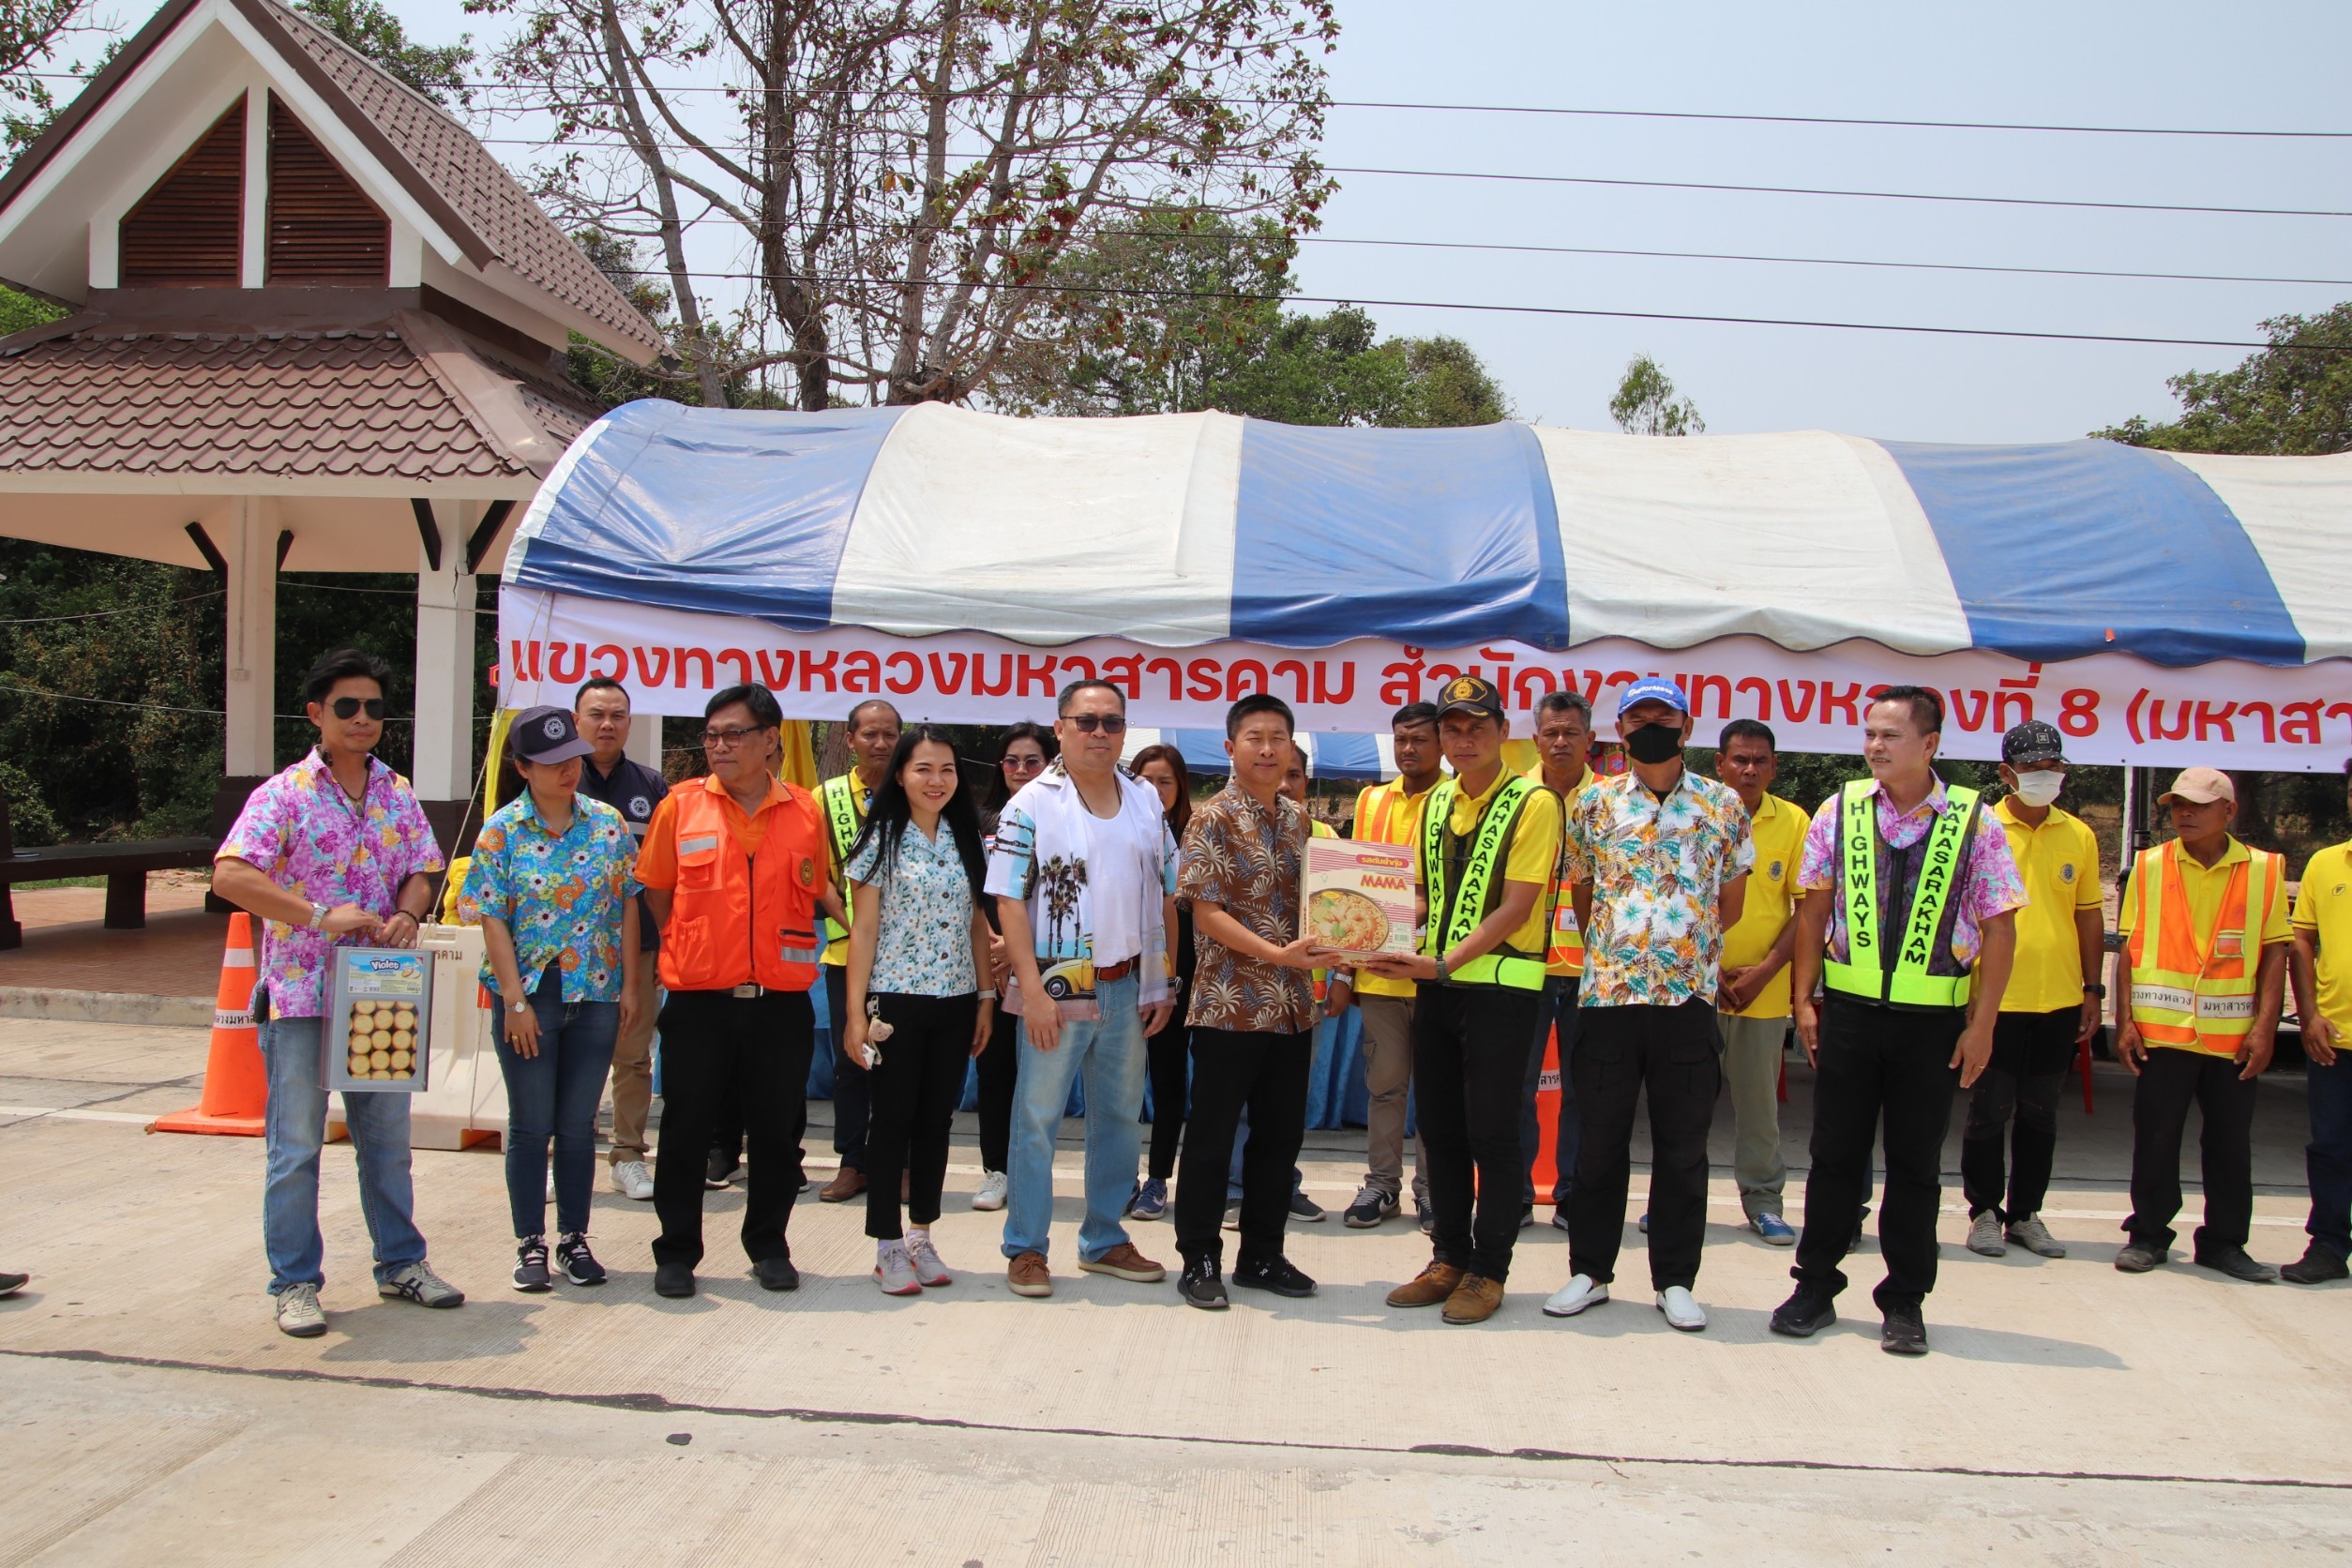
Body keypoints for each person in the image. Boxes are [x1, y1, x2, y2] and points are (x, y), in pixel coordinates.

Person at [213, 647, 460, 1338]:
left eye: (374, 707)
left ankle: (402, 1264)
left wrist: (409, 911)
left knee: (387, 1143)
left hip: (380, 995)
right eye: (347, 706)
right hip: (300, 997)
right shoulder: (284, 794)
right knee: (295, 1148)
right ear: (316, 714)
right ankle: (294, 1282)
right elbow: (230, 875)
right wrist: (318, 916)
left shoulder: (396, 791)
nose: (362, 718)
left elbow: (423, 869)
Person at [1772, 686, 2022, 1355]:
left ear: (1930, 744)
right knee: (1833, 1157)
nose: (1875, 746)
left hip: (1931, 1024)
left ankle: (1905, 1300)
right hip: (1849, 1017)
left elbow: (2000, 929)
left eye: (1890, 735)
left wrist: (1983, 1024)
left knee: (1914, 1166)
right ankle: (1814, 1287)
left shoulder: (1976, 820)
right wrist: (1803, 999)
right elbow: (1813, 909)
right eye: (1870, 734)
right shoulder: (1841, 808)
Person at [1544, 679, 1753, 1334]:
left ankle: (1676, 1280)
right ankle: (1591, 1271)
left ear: (1687, 728)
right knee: (1599, 1142)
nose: (1652, 726)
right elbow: (1583, 894)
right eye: (1639, 718)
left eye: (1665, 716)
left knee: (1683, 1148)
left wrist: (1681, 945)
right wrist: (1622, 948)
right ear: (1621, 730)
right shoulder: (1595, 803)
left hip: (1687, 999)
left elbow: (1731, 901)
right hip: (1609, 996)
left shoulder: (1723, 803)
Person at [1361, 676, 1561, 1326]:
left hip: (1500, 989)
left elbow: (1517, 906)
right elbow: (1424, 894)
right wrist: (1368, 931)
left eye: (1478, 727)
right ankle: (1447, 1257)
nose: (1464, 739)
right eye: (1453, 728)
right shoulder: (1439, 800)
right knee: (1440, 1129)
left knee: (1492, 1132)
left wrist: (1443, 961)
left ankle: (1488, 1269)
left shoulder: (1534, 801)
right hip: (1436, 984)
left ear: (1503, 731)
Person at [634, 685, 833, 1299]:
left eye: (733, 734)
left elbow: (816, 891)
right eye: (711, 735)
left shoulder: (804, 811)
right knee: (686, 1128)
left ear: (770, 740)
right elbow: (658, 892)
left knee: (777, 1133)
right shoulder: (680, 806)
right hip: (699, 1001)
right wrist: (696, 947)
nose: (719, 746)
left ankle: (769, 1246)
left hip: (780, 1004)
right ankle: (676, 1252)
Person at [989, 679, 1178, 1298]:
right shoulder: (1031, 804)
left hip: (1129, 985)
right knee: (1037, 1119)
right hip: (1058, 985)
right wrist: (1033, 993)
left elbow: (1169, 891)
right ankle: (1026, 1247)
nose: (1100, 733)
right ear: (1060, 727)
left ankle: (1104, 1239)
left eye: (1112, 722)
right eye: (1087, 721)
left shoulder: (1145, 798)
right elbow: (1008, 901)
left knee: (1120, 1118)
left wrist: (1164, 980)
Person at [458, 705, 641, 1292]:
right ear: (522, 767)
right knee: (532, 1125)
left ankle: (574, 1239)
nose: (568, 770)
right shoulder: (502, 830)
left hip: (596, 992)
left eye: (573, 759)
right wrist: (514, 1001)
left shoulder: (607, 822)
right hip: (532, 995)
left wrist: (630, 987)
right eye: (553, 762)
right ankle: (530, 1243)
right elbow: (491, 918)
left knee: (579, 1125)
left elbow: (627, 903)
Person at [1171, 696, 1322, 1309]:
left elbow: (1322, 906)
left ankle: (1262, 1254)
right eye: (1255, 737)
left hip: (1293, 1008)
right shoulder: (1210, 819)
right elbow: (1206, 915)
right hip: (1229, 1006)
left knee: (1280, 1139)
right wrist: (1279, 955)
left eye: (1277, 737)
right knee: (1211, 1137)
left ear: (1290, 748)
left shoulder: (1300, 820)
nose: (1267, 749)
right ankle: (1199, 1257)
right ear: (1231, 748)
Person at [2113, 766, 2289, 1284]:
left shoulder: (2265, 869)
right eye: (2177, 805)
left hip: (2233, 1038)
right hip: (2162, 1032)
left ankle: (2224, 1243)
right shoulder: (2149, 866)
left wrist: (2265, 1028)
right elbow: (2129, 949)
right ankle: (2147, 1234)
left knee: (2230, 1144)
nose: (2184, 814)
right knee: (2156, 1138)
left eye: (2197, 805)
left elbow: (2275, 952)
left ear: (2229, 811)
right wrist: (2124, 1022)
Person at [840, 726, 997, 1294]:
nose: (936, 781)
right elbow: (863, 930)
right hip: (895, 1001)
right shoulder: (880, 836)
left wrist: (985, 998)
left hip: (955, 1001)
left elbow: (977, 925)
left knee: (935, 1122)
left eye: (947, 770)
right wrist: (855, 1014)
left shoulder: (967, 839)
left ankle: (921, 1235)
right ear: (901, 775)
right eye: (923, 769)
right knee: (892, 1122)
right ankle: (887, 1245)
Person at [1961, 720, 2104, 1261]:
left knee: (2041, 1111)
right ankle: (1983, 1211)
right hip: (1995, 1000)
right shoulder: (1980, 828)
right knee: (1989, 1110)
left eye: (2052, 766)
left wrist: (2092, 989)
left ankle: (2025, 1214)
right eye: (2030, 767)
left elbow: (2088, 915)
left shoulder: (2079, 834)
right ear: (2007, 773)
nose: (2043, 775)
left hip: (2059, 998)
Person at [1333, 702, 1441, 1231]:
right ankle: (1382, 1185)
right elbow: (1351, 885)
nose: (1408, 749)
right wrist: (1345, 970)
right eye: (1401, 739)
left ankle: (1434, 1190)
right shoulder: (1371, 799)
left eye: (1419, 739)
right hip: (1378, 970)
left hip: (1439, 973)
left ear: (1441, 744)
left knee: (1439, 1091)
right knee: (1385, 1085)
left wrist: (1406, 908)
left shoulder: (1459, 801)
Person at [1711, 717, 1809, 1246]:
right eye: (1740, 759)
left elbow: (1807, 907)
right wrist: (1708, 968)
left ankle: (1765, 1202)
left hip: (1762, 993)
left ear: (1774, 768)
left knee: (1759, 1110)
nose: (1749, 769)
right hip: (1694, 987)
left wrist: (1768, 970)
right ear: (1719, 764)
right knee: (1682, 1107)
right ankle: (1676, 1201)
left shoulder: (1794, 821)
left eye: (1760, 761)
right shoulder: (1695, 812)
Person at [572, 676, 670, 1202]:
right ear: (576, 721)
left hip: (640, 947)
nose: (606, 724)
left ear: (630, 723)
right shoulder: (554, 781)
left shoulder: (652, 787)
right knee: (570, 1056)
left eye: (617, 716)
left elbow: (667, 872)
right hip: (569, 950)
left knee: (632, 1056)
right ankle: (564, 1154)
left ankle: (628, 1155)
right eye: (596, 714)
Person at [812, 699, 903, 1203]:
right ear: (850, 740)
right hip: (847, 952)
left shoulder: (915, 788)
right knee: (853, 1060)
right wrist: (855, 925)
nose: (881, 743)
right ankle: (853, 1162)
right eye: (870, 734)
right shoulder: (824, 797)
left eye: (890, 733)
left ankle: (902, 1161)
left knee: (903, 1060)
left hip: (908, 957)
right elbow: (816, 874)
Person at [972, 721, 1055, 1212]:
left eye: (1032, 761)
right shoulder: (981, 820)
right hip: (993, 966)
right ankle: (996, 1170)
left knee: (1044, 1079)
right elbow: (972, 891)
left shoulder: (1065, 819)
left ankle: (1032, 1171)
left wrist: (1021, 951)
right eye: (1011, 761)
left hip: (1049, 966)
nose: (1020, 770)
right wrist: (996, 949)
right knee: (996, 1070)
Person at [1522, 690, 1598, 1231]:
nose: (1561, 742)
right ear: (1535, 739)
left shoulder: (1613, 799)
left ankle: (1574, 1192)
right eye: (1551, 732)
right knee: (1517, 1086)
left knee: (1585, 1089)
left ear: (1590, 739)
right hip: (1524, 963)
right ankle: (1515, 1192)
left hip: (1593, 969)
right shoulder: (1517, 797)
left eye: (1571, 733)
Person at [2284, 760, 2352, 1284]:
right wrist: (2309, 1014)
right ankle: (2328, 1245)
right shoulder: (2326, 864)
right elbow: (2301, 940)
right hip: (2336, 1036)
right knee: (2330, 1147)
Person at [1126, 741, 1196, 1223]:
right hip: (1122, 971)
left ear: (1180, 788)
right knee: (1122, 1084)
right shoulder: (1116, 827)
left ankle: (1157, 1179)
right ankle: (1120, 1177)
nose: (1153, 790)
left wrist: (1171, 978)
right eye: (1144, 780)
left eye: (1164, 782)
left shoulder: (1196, 836)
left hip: (1179, 972)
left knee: (1169, 1079)